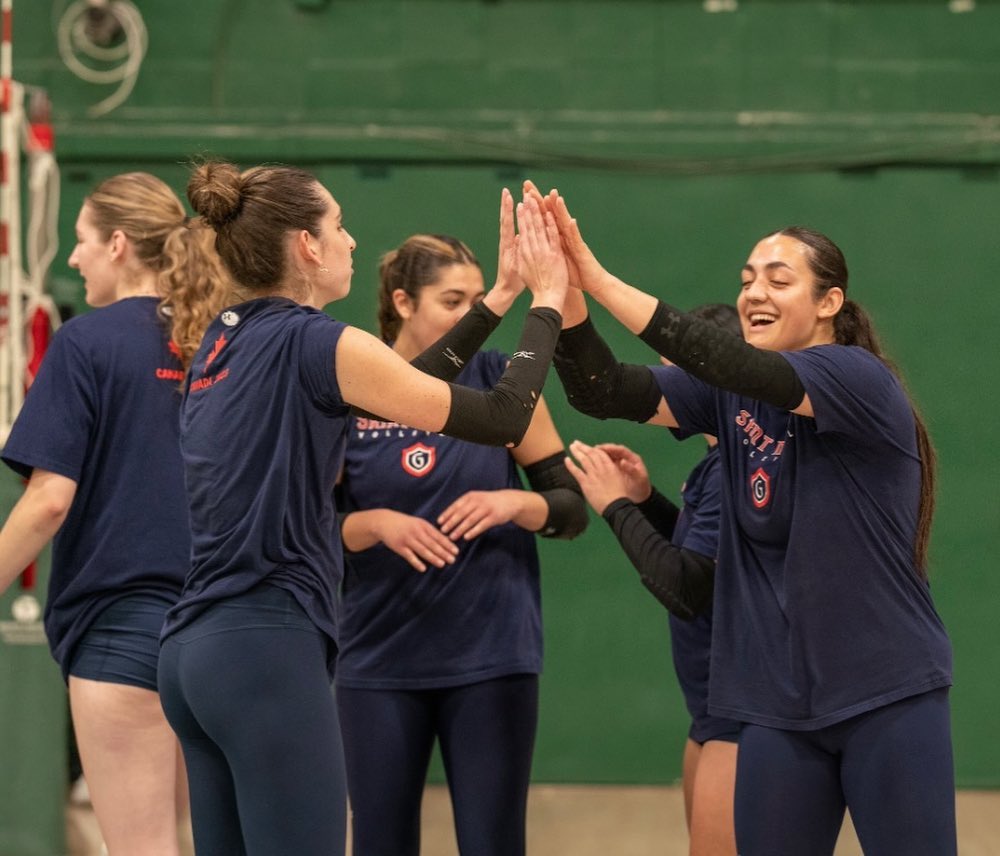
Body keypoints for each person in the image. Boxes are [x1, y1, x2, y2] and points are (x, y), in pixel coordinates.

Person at [155, 163, 570, 856]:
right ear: (306, 246)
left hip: (192, 652)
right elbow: (503, 414)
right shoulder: (319, 340)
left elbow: (402, 390)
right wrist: (548, 301)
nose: (350, 241)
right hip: (266, 646)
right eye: (339, 226)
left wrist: (499, 299)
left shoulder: (222, 342)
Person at [542, 186, 954, 856]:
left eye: (778, 280)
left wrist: (597, 276)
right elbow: (601, 390)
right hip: (774, 705)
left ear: (829, 303)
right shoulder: (730, 396)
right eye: (746, 280)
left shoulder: (856, 377)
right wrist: (563, 296)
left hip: (884, 693)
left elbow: (728, 360)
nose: (754, 292)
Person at [0, 171, 231, 855]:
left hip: (125, 632)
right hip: (229, 631)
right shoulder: (226, 342)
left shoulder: (86, 342)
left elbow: (49, 500)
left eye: (81, 240)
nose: (73, 258)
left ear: (119, 244)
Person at [335, 232, 588, 856]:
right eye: (454, 301)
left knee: (492, 840)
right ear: (402, 302)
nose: (474, 315)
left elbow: (570, 508)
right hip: (378, 657)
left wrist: (515, 504)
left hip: (490, 656)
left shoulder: (502, 382)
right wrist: (375, 524)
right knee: (379, 841)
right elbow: (310, 527)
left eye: (481, 300)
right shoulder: (355, 387)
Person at [566, 302, 742, 856]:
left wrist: (615, 507)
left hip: (740, 717)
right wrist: (643, 500)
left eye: (675, 376)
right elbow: (702, 555)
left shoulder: (737, 471)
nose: (664, 393)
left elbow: (686, 588)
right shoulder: (715, 462)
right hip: (708, 712)